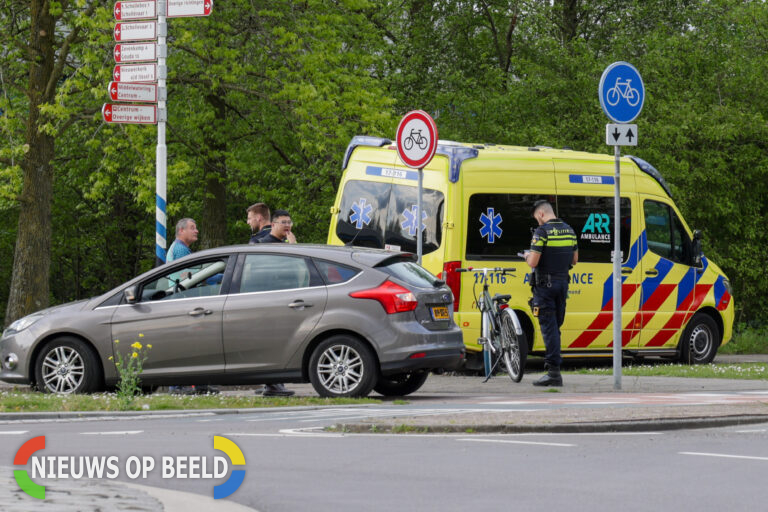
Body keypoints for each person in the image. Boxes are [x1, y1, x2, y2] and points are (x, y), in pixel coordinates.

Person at [525, 200, 578, 387]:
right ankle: (554, 369)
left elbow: (533, 262)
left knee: (549, 329)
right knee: (556, 327)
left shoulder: (542, 232)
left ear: (541, 214)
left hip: (545, 287)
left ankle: (553, 373)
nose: (538, 222)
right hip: (563, 284)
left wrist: (526, 255)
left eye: (536, 219)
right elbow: (575, 260)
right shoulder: (570, 230)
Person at [166, 218, 218, 395]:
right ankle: (179, 385)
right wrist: (220, 277)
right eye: (192, 228)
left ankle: (194, 384)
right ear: (181, 231)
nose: (196, 231)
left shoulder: (181, 248)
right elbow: (193, 275)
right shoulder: (180, 249)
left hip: (182, 301)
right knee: (187, 343)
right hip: (182, 303)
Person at [252, 209, 297, 397]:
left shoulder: (284, 244)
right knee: (270, 342)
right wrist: (293, 247)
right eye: (283, 222)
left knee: (280, 342)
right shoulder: (263, 244)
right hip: (267, 301)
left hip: (282, 301)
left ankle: (274, 382)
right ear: (274, 224)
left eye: (289, 222)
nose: (287, 226)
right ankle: (272, 384)